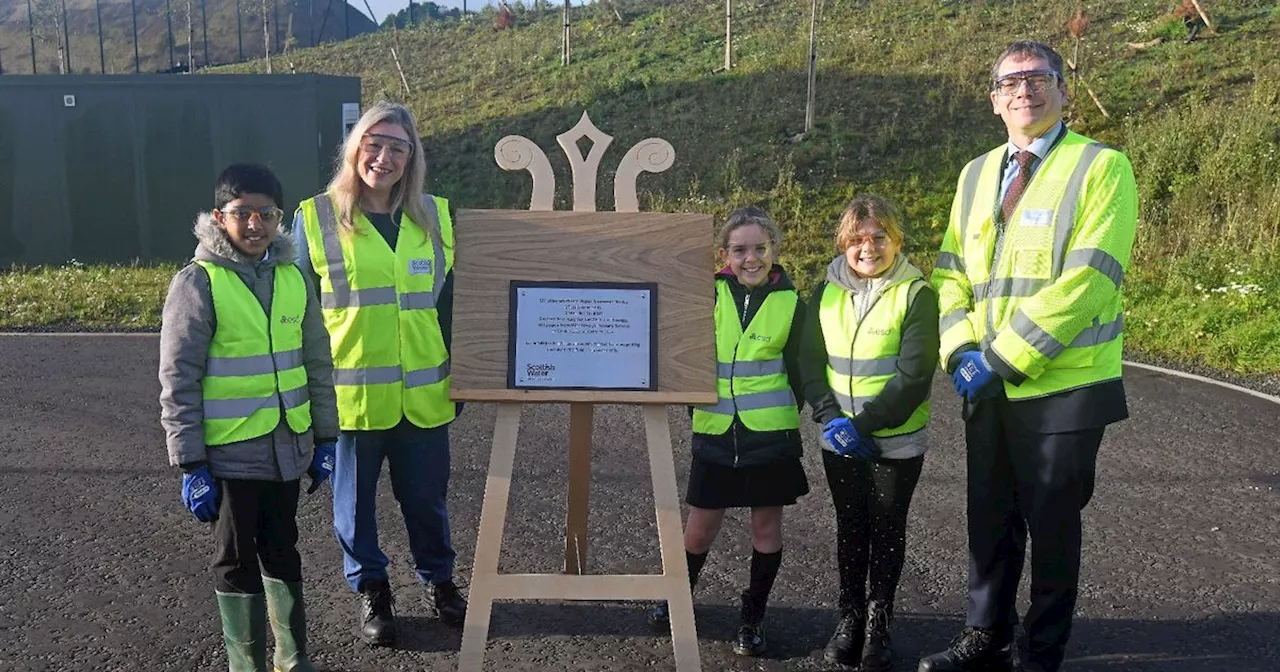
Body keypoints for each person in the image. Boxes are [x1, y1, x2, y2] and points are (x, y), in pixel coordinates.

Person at [920, 40, 1137, 672]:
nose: (1024, 89)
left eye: (1038, 77)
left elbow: (1091, 279)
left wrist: (1004, 357)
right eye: (1009, 82)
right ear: (994, 101)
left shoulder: (1101, 167)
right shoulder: (976, 173)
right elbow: (952, 271)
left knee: (1052, 525)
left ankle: (1041, 652)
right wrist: (961, 350)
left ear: (1063, 89)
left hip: (1064, 386)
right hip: (985, 384)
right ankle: (985, 635)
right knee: (989, 518)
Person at [293, 101, 466, 647]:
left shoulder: (435, 215)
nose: (384, 157)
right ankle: (373, 590)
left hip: (424, 395)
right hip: (352, 397)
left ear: (411, 158)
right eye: (374, 144)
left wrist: (461, 375)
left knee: (427, 502)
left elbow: (452, 305)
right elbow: (298, 316)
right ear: (355, 149)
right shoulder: (317, 217)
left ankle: (439, 581)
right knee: (354, 508)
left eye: (397, 147)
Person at [159, 163, 340, 672]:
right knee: (236, 560)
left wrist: (326, 437)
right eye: (243, 213)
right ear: (220, 216)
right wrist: (191, 461)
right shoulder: (198, 282)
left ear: (279, 218)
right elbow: (179, 378)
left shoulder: (293, 276)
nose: (255, 224)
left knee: (283, 548)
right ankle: (248, 665)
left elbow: (317, 361)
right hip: (231, 453)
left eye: (267, 213)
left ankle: (293, 658)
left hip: (288, 449)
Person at [648, 206, 808, 657]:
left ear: (773, 250)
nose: (750, 258)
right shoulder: (706, 294)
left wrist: (782, 414)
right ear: (725, 254)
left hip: (769, 435)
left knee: (765, 528)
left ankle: (753, 616)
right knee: (698, 530)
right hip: (716, 431)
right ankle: (677, 598)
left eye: (760, 248)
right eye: (740, 250)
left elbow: (800, 369)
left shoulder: (793, 301)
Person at [799, 195, 939, 671]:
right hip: (839, 438)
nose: (868, 247)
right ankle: (849, 617)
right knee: (851, 527)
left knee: (887, 530)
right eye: (857, 239)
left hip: (895, 441)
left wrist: (862, 425)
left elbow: (914, 374)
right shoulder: (826, 292)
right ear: (844, 243)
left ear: (896, 240)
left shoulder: (917, 293)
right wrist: (830, 419)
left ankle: (880, 621)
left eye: (879, 237)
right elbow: (809, 361)